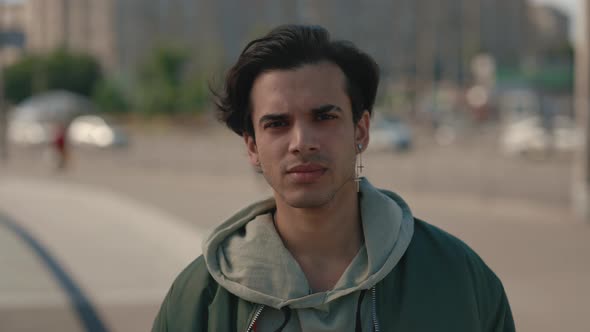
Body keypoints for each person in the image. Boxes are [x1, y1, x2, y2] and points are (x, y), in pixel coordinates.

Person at [152, 25, 515, 331]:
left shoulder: (458, 278)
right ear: (252, 147)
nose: (302, 143)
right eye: (277, 124)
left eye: (324, 118)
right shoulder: (199, 301)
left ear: (361, 130)